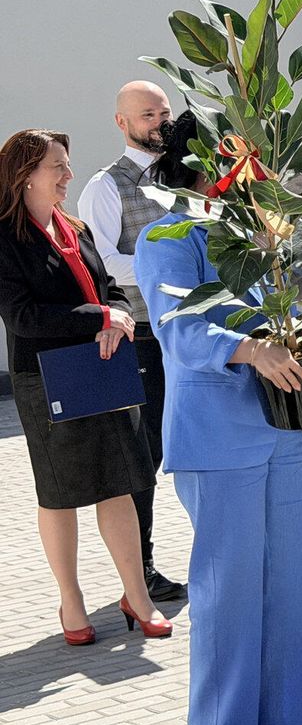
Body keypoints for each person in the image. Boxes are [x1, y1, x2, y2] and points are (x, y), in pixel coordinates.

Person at [137, 112, 302, 725]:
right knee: (229, 605)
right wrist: (251, 349)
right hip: (217, 439)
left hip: (282, 433)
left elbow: (295, 305)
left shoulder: (260, 231)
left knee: (289, 598)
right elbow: (178, 329)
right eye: (244, 151)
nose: (257, 164)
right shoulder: (167, 234)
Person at [0, 129, 167, 647]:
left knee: (120, 482)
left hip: (103, 368)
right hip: (46, 378)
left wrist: (115, 315)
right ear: (26, 175)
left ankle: (137, 596)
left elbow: (110, 287)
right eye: (58, 167)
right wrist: (100, 316)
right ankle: (70, 602)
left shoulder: (76, 227)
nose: (68, 175)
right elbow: (23, 317)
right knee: (60, 493)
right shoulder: (5, 239)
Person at [77, 80, 185, 602]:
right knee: (145, 454)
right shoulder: (105, 186)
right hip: (141, 337)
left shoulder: (185, 175)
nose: (160, 123)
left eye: (164, 112)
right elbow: (102, 263)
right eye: (147, 115)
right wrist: (170, 264)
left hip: (184, 334)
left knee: (177, 447)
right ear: (121, 123)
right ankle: (139, 574)